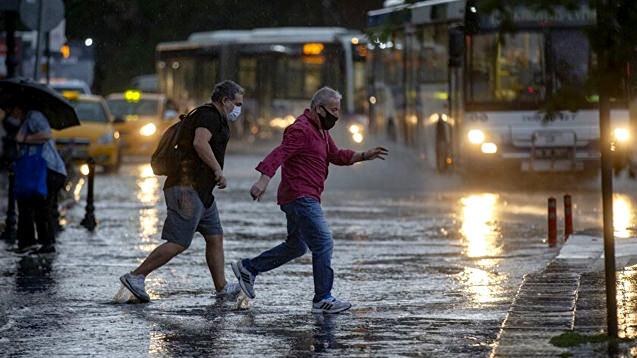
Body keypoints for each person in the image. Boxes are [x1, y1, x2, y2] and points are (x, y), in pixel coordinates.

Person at [231, 87, 388, 314]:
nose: (336, 115)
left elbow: (336, 155)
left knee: (297, 246)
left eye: (338, 110)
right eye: (333, 110)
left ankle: (248, 268)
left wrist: (363, 155)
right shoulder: (301, 129)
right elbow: (279, 154)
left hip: (304, 196)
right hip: (300, 196)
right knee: (323, 242)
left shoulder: (321, 131)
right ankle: (322, 298)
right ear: (318, 108)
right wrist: (262, 181)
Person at [119, 80, 245, 303]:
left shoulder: (212, 116)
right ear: (225, 101)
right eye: (237, 103)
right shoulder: (209, 116)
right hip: (186, 188)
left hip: (202, 192)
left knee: (215, 237)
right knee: (179, 241)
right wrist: (217, 169)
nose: (238, 109)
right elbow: (200, 143)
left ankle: (222, 288)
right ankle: (136, 276)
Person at [12, 104, 67, 254]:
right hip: (38, 169)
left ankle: (47, 244)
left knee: (42, 207)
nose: (11, 112)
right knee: (28, 205)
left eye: (13, 108)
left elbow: (47, 134)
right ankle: (28, 242)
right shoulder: (26, 119)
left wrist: (27, 138)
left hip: (49, 169)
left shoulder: (35, 115)